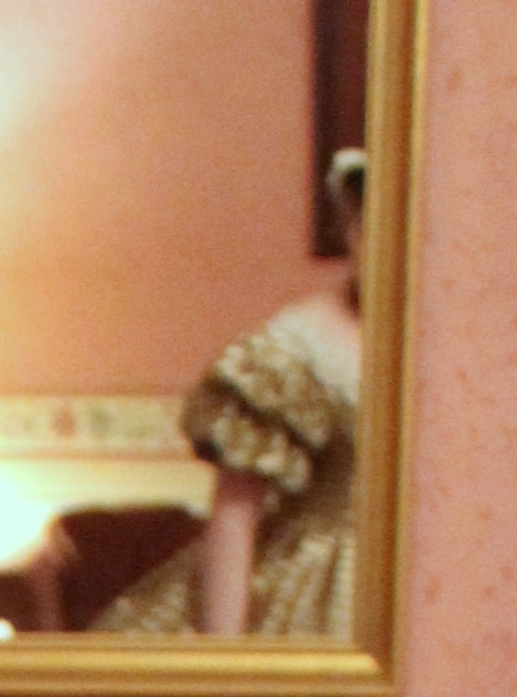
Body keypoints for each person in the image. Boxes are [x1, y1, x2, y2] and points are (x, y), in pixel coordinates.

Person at [93, 144, 366, 644]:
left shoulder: (472, 352)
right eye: (362, 224)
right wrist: (227, 654)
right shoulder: (306, 343)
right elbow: (236, 511)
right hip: (314, 597)